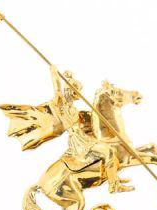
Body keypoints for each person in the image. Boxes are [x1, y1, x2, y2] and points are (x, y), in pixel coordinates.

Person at [50, 65, 133, 193]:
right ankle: (113, 185)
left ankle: (113, 176)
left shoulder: (73, 108)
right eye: (75, 92)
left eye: (78, 92)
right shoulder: (61, 106)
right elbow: (57, 90)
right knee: (109, 152)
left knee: (110, 148)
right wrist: (54, 71)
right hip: (79, 142)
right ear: (68, 92)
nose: (78, 95)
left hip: (85, 137)